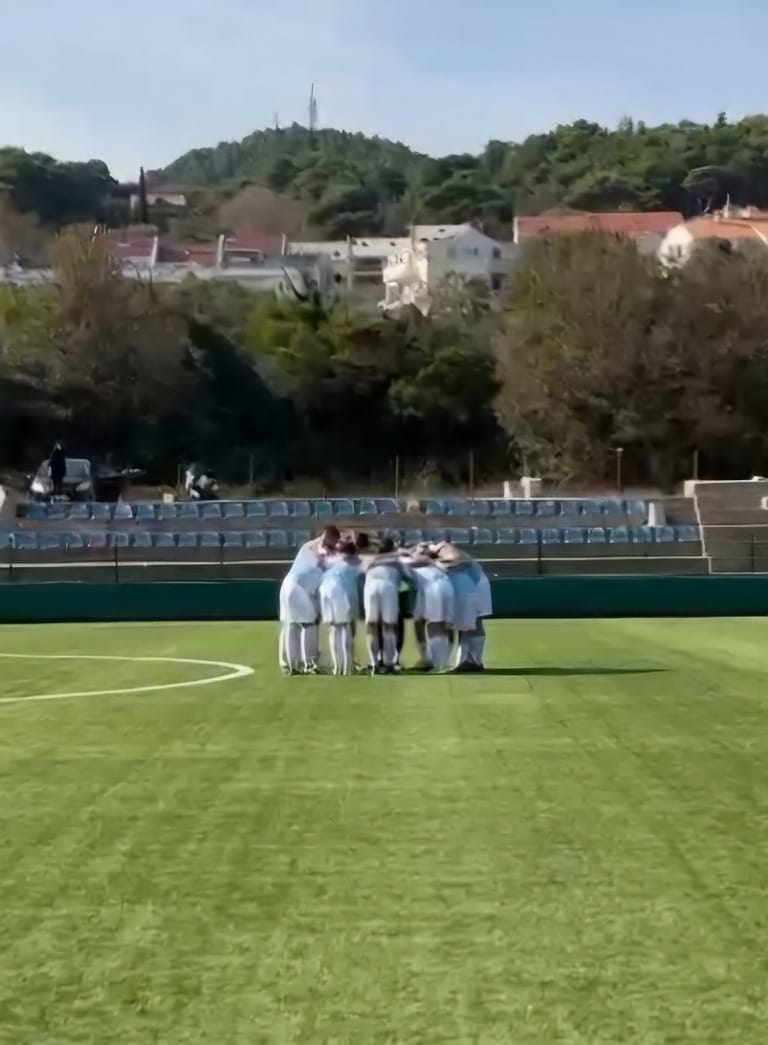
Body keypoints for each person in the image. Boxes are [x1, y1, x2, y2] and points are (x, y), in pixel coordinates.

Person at [278, 526, 340, 674]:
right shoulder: (324, 552)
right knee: (309, 623)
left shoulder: (309, 545)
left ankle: (291, 664)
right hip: (298, 588)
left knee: (292, 625)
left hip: (288, 585)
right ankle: (310, 663)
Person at [363, 537, 409, 675]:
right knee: (389, 626)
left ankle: (373, 663)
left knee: (372, 626)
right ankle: (389, 663)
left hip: (370, 587)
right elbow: (409, 574)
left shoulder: (370, 559)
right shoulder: (397, 560)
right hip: (388, 585)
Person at [408, 547, 456, 672]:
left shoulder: (437, 564)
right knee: (420, 623)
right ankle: (428, 659)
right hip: (430, 591)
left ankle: (440, 663)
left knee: (438, 625)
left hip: (435, 590)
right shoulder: (421, 565)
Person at [318, 540, 361, 675]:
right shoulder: (354, 564)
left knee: (334, 628)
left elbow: (321, 558)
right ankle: (347, 667)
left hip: (325, 589)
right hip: (339, 591)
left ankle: (337, 666)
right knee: (344, 627)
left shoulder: (332, 560)